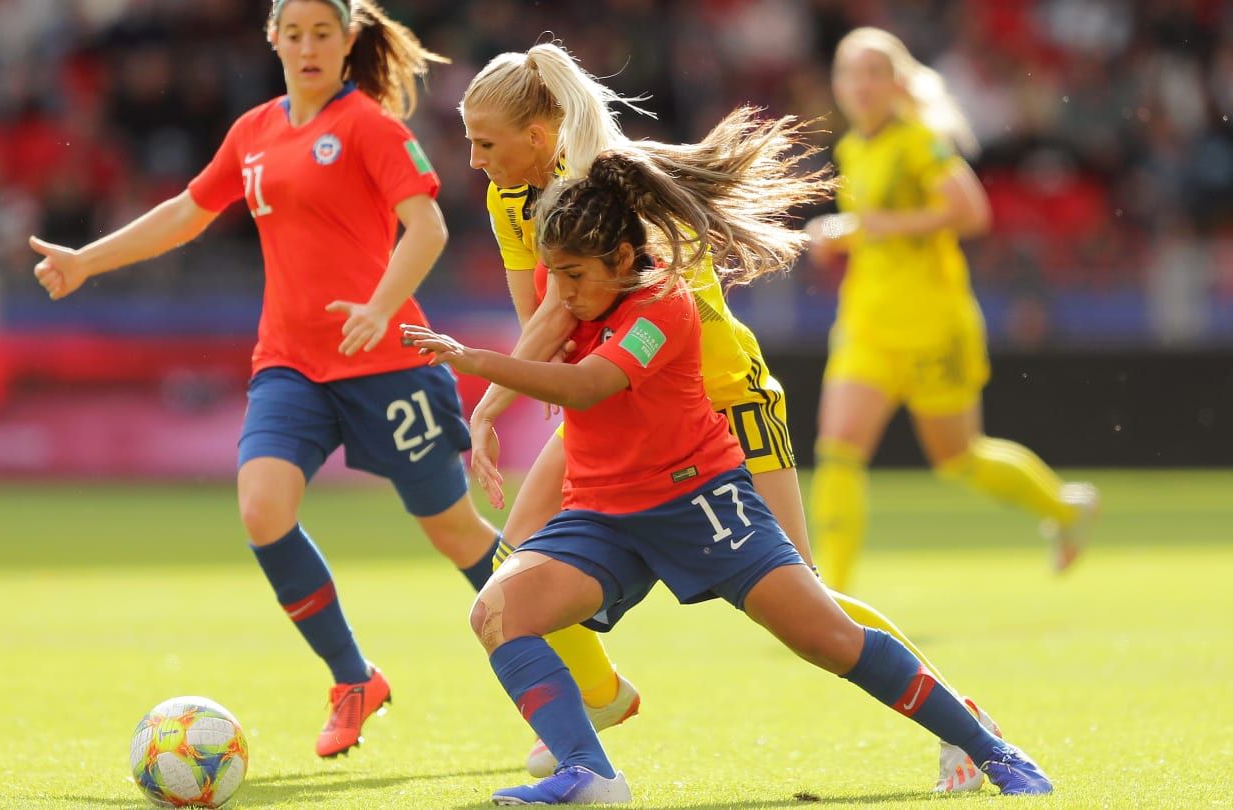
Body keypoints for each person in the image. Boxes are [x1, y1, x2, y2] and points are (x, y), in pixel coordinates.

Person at [402, 119, 1054, 803]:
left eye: (574, 276)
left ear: (625, 259)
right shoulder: (576, 284)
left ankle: (991, 749)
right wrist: (487, 406)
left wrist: (473, 363)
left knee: (829, 638)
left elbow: (591, 384)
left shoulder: (664, 303)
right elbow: (545, 326)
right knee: (497, 612)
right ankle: (588, 774)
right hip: (604, 513)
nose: (560, 291)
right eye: (554, 274)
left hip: (699, 504)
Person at [28, 0, 502, 759]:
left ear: (349, 41)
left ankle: (564, 636)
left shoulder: (371, 127)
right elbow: (188, 211)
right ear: (272, 40)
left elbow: (430, 228)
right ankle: (353, 678)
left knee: (453, 531)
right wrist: (88, 260)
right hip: (291, 363)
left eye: (324, 33)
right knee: (261, 510)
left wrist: (382, 308)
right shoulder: (253, 131)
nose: (309, 46)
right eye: (295, 33)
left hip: (387, 362)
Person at [805, 27, 1099, 593]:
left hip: (933, 323)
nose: (860, 85)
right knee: (838, 450)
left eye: (873, 73)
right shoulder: (853, 148)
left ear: (896, 82)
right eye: (850, 73)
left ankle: (1065, 508)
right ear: (837, 84)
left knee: (958, 459)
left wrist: (872, 226)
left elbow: (971, 211)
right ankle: (834, 598)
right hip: (867, 323)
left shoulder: (920, 142)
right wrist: (842, 237)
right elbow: (871, 233)